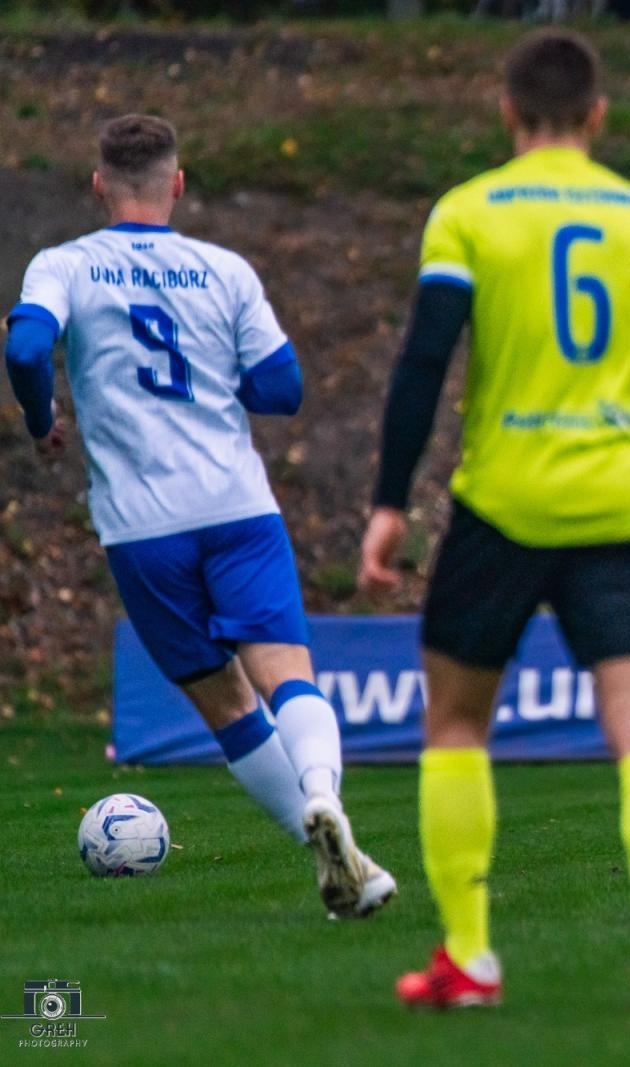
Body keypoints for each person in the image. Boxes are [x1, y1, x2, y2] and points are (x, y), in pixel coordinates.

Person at [357, 29, 630, 1013]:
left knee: (455, 723)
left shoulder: (470, 211)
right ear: (598, 116)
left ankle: (471, 956)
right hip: (620, 509)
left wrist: (389, 505)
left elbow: (420, 364)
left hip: (501, 502)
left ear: (506, 112)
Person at [3, 114, 395, 918]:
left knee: (227, 705)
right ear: (178, 184)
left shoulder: (65, 264)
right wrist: (220, 386)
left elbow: (23, 348)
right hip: (237, 508)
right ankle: (327, 800)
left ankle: (337, 854)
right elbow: (283, 388)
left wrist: (43, 416)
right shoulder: (223, 269)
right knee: (288, 674)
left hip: (142, 527)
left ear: (99, 185)